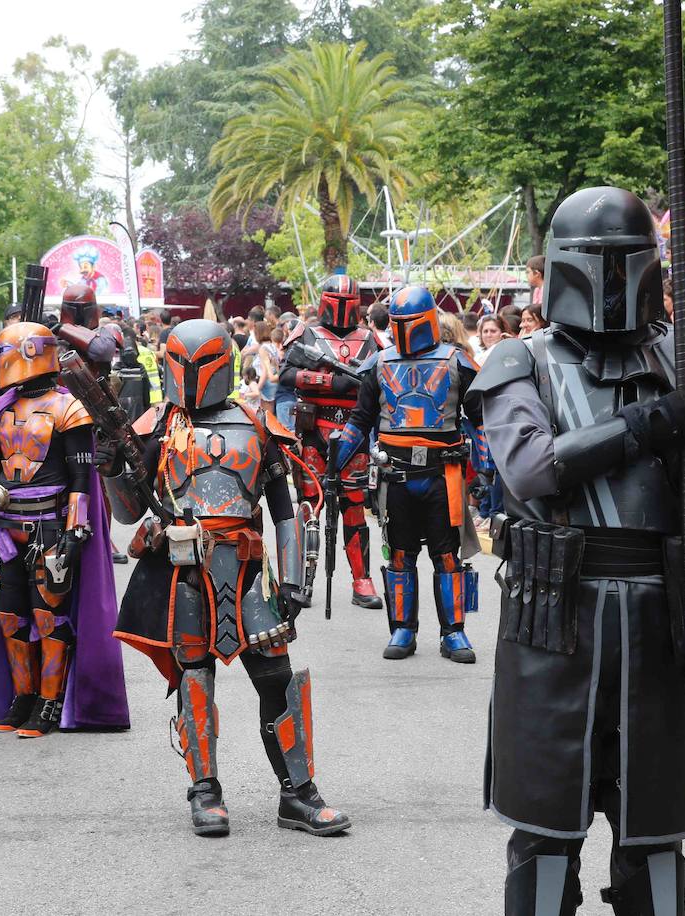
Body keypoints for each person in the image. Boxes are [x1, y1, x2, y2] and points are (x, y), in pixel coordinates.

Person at [470, 186, 685, 914]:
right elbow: (532, 469)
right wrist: (643, 428)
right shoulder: (520, 361)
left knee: (655, 845)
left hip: (663, 623)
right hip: (553, 622)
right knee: (543, 842)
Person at [106, 319, 349, 838]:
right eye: (181, 365)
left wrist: (293, 581)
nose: (190, 376)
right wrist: (113, 472)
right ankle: (205, 791)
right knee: (195, 677)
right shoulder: (157, 426)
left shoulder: (257, 422)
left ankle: (299, 795)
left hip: (247, 575)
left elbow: (285, 509)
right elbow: (128, 512)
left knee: (276, 680)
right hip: (185, 575)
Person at [0, 321, 129, 737]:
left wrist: (76, 531)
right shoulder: (2, 407)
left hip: (50, 526)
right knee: (10, 615)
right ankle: (22, 697)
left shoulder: (69, 408)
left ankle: (49, 701)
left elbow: (83, 478)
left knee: (48, 617)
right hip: (3, 529)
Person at [330, 285, 490, 662]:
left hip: (442, 474)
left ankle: (454, 632)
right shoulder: (380, 364)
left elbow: (481, 418)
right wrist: (334, 465)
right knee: (399, 555)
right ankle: (403, 628)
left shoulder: (457, 361)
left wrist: (486, 468)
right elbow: (361, 419)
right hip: (395, 475)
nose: (404, 330)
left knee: (448, 557)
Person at [280, 276, 386, 610]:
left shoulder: (369, 339)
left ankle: (361, 578)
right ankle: (301, 579)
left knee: (354, 505)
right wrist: (328, 381)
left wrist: (355, 386)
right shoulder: (307, 334)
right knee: (310, 504)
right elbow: (285, 374)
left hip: (354, 431)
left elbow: (383, 377)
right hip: (313, 429)